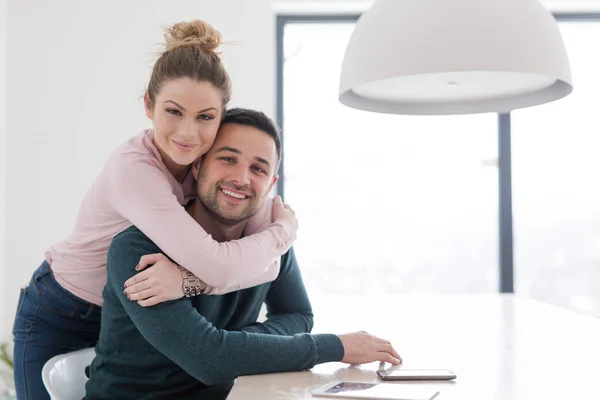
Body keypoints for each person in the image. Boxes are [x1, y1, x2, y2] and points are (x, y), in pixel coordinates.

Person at [12, 20, 298, 400]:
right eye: (174, 111)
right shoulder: (134, 170)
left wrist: (193, 278)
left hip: (128, 308)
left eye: (205, 117)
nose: (188, 133)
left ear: (221, 117)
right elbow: (229, 264)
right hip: (60, 311)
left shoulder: (213, 172)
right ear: (148, 105)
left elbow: (270, 264)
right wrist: (284, 232)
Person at [84, 108, 401, 400]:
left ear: (271, 183)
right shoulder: (137, 250)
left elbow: (298, 316)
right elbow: (208, 359)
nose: (241, 178)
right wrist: (336, 346)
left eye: (258, 168)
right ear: (197, 165)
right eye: (228, 159)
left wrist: (234, 341)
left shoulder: (270, 244)